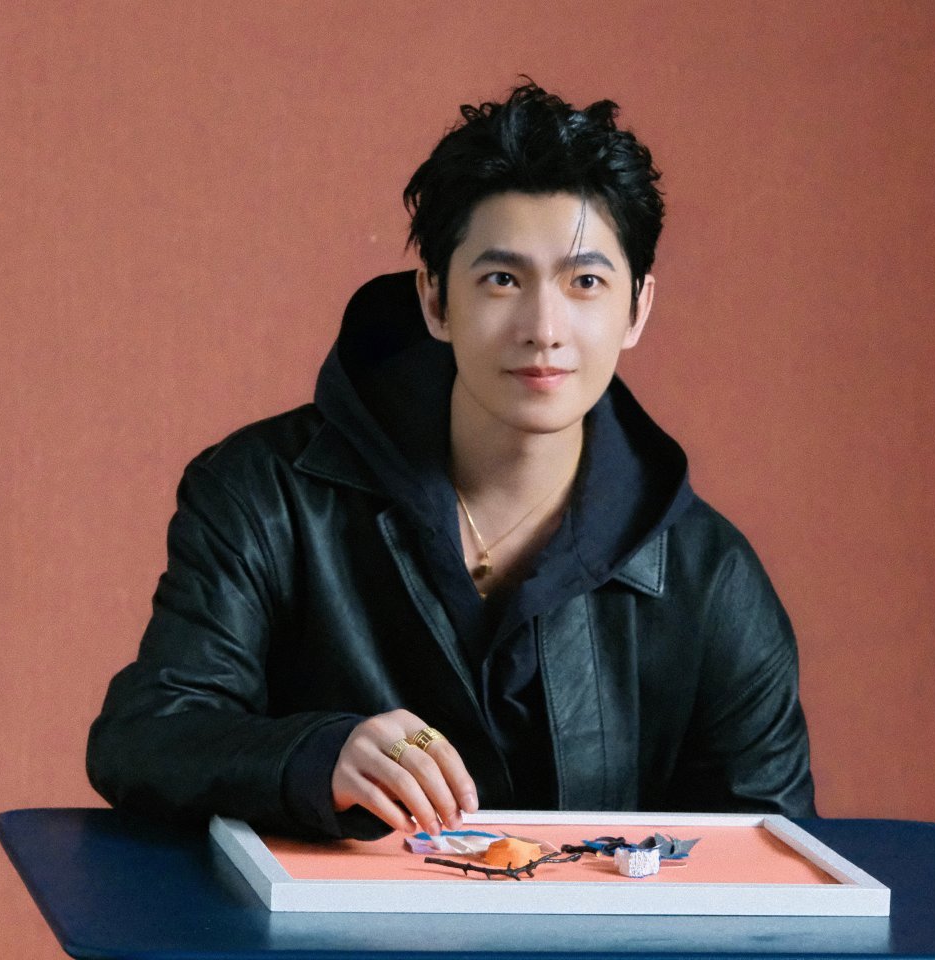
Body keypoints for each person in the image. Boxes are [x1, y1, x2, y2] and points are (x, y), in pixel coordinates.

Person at [87, 82, 815, 840]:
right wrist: (315, 755)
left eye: (585, 283)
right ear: (435, 300)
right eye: (502, 279)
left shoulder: (711, 577)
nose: (543, 328)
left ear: (637, 308)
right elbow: (145, 737)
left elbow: (774, 857)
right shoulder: (264, 495)